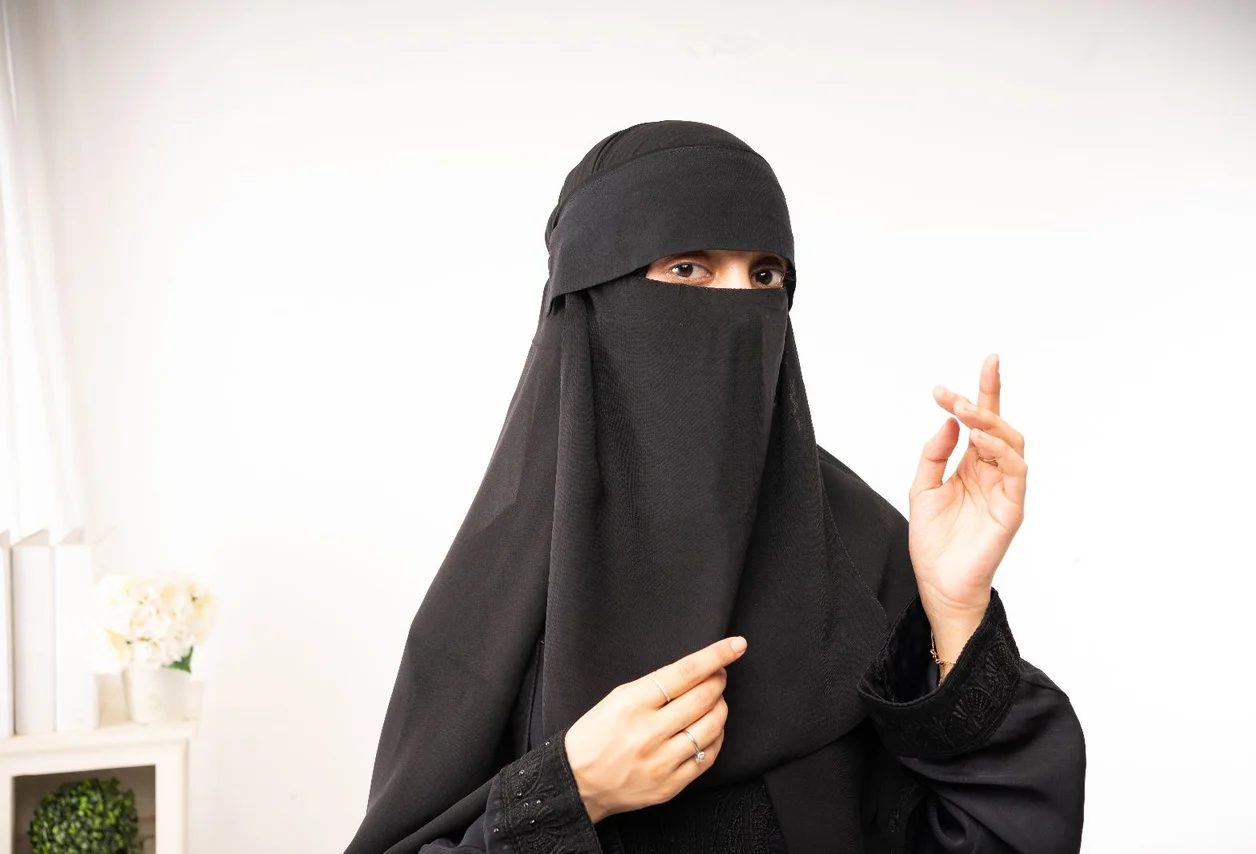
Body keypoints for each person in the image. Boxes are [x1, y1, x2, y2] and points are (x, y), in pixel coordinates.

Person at [343, 120, 1086, 854]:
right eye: (688, 271)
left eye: (765, 277)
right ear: (593, 303)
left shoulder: (860, 556)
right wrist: (571, 792)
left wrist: (954, 612)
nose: (737, 307)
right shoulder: (498, 600)